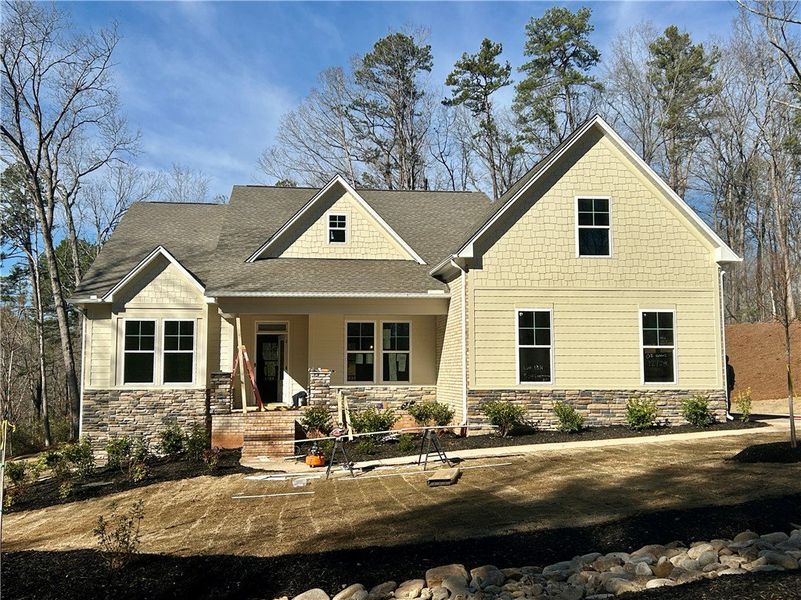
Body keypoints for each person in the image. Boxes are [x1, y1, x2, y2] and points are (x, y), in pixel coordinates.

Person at [726, 355, 736, 420]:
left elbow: (732, 377)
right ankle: (727, 412)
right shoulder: (722, 367)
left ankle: (728, 412)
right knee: (727, 399)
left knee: (728, 399)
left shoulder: (729, 368)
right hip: (726, 386)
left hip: (728, 386)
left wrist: (732, 385)